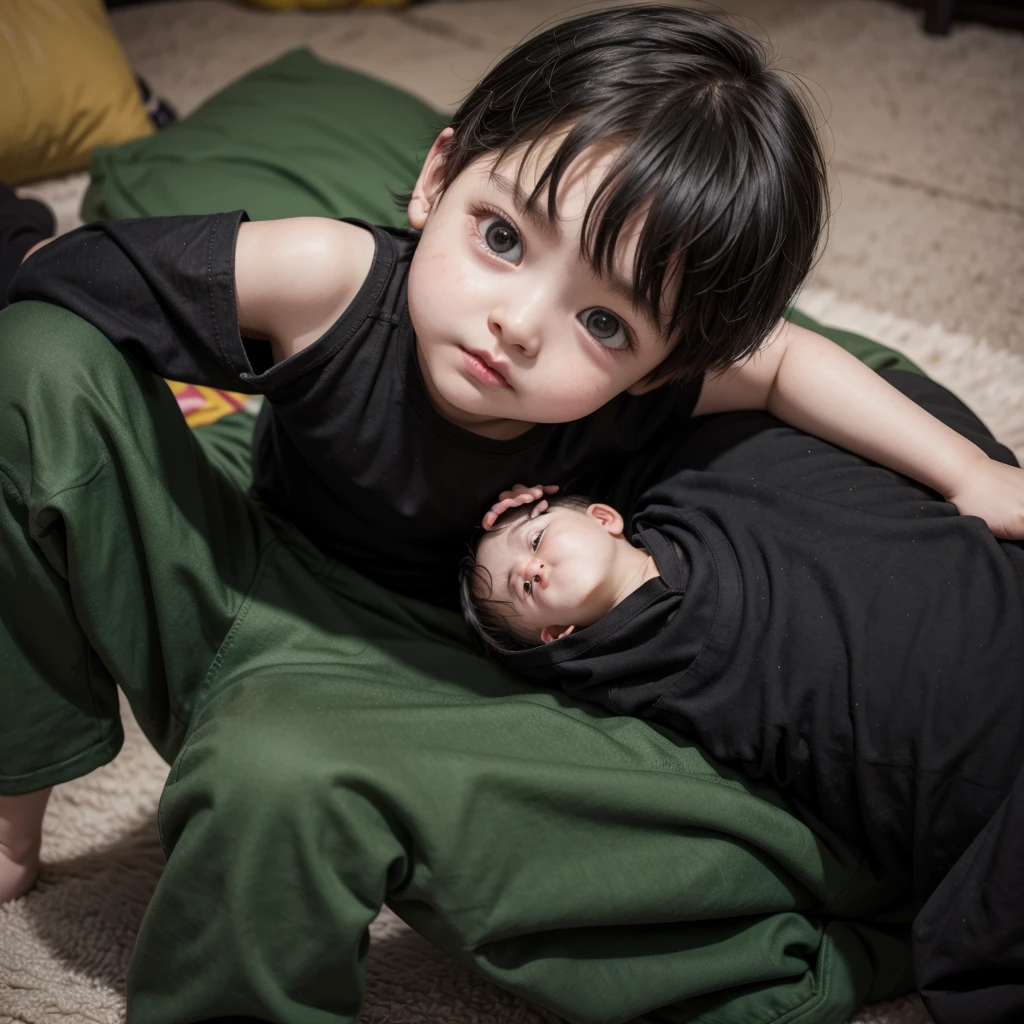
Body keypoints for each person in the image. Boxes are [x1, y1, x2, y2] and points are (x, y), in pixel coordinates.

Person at [0, 5, 1021, 1022]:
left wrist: (968, 472)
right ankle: (12, 815)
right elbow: (67, 295)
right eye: (501, 237)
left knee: (287, 769)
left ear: (660, 362)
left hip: (451, 669)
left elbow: (786, 358)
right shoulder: (322, 275)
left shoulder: (642, 390)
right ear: (436, 177)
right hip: (255, 564)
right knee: (30, 357)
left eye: (603, 320)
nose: (519, 325)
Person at [460, 368, 1024, 1024]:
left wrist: (544, 470)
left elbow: (677, 397)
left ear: (605, 517)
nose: (532, 566)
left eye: (534, 539)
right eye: (522, 588)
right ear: (556, 638)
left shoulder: (688, 485)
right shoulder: (631, 669)